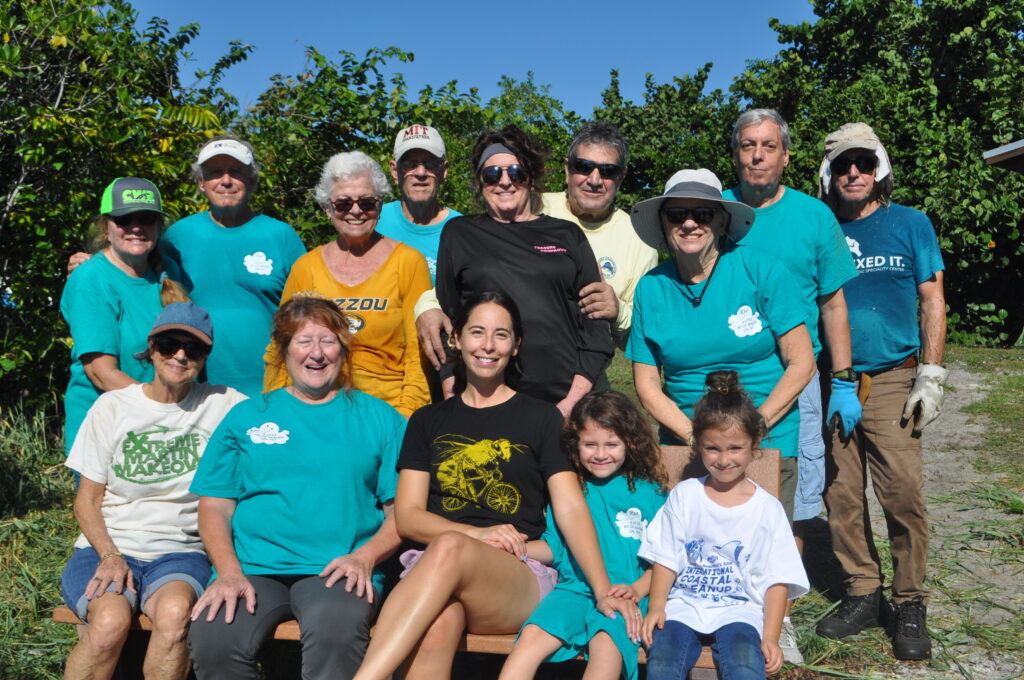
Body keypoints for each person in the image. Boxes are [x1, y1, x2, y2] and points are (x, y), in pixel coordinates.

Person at [352, 291, 636, 680]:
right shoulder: (427, 421)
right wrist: (477, 533)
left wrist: (602, 589)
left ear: (516, 345)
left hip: (517, 572)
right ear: (456, 339)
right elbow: (409, 517)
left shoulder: (542, 419)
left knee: (450, 545)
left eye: (501, 335)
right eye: (477, 332)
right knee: (438, 622)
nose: (488, 345)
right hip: (433, 571)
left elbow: (570, 507)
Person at [188, 296, 407, 679]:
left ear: (343, 348)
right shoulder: (247, 416)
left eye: (328, 341)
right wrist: (227, 572)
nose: (317, 354)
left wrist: (365, 558)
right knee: (214, 636)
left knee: (334, 629)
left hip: (338, 569)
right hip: (253, 568)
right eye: (304, 341)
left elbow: (400, 513)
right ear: (284, 349)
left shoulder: (380, 419)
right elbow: (214, 506)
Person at [723, 109, 860, 662]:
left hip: (795, 375)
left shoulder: (813, 217)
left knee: (789, 496)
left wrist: (844, 381)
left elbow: (833, 303)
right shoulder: (719, 213)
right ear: (736, 153)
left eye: (768, 146)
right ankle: (718, 599)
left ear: (786, 155)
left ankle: (779, 619)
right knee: (720, 484)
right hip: (726, 377)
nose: (757, 155)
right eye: (748, 146)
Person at [813, 123, 947, 660]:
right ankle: (862, 591)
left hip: (893, 375)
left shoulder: (910, 224)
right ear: (828, 172)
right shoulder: (819, 227)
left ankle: (909, 601)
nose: (854, 172)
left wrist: (931, 374)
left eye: (864, 163)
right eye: (844, 164)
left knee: (902, 494)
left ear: (880, 168)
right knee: (841, 496)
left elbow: (932, 299)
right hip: (833, 380)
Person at [60, 302, 246, 680]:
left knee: (176, 616)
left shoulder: (225, 404)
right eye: (168, 344)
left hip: (182, 549)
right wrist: (110, 555)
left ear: (205, 357)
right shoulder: (112, 407)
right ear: (151, 346)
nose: (179, 355)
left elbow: (281, 420)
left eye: (193, 349)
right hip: (108, 545)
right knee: (109, 622)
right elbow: (87, 500)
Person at [627, 168, 815, 488]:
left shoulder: (762, 270)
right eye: (676, 214)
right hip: (685, 444)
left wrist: (752, 431)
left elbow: (802, 363)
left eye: (702, 213)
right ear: (663, 222)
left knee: (766, 536)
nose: (688, 223)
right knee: (690, 538)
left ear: (722, 221)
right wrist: (698, 440)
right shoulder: (651, 288)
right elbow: (646, 385)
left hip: (764, 441)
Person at [433, 125, 614, 416]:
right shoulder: (459, 233)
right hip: (485, 403)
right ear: (480, 182)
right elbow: (448, 320)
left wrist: (570, 404)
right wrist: (453, 395)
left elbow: (596, 327)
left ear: (531, 177)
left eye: (516, 172)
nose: (504, 182)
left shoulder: (567, 235)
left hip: (562, 404)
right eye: (492, 174)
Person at [640, 371, 809, 679]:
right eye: (712, 448)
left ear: (753, 444)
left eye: (735, 448)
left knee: (745, 664)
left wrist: (770, 637)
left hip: (740, 611)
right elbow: (666, 556)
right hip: (683, 607)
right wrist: (656, 607)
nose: (723, 459)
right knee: (662, 662)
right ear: (698, 445)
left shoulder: (767, 508)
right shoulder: (685, 495)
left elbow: (777, 578)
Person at [500, 390, 668, 680]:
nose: (601, 454)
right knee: (531, 636)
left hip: (627, 594)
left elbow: (667, 560)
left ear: (630, 442)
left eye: (612, 444)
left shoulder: (651, 496)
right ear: (574, 444)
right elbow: (554, 547)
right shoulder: (571, 492)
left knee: (606, 645)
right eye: (590, 444)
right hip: (575, 590)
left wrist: (638, 589)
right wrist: (515, 548)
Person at [264, 151, 432, 417]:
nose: (355, 211)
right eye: (343, 204)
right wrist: (275, 412)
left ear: (380, 205)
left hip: (386, 412)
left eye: (366, 202)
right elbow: (280, 349)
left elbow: (418, 352)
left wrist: (407, 417)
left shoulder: (408, 262)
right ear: (328, 209)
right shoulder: (306, 267)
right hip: (314, 412)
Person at [161, 135, 307, 396]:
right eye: (215, 173)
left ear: (252, 181)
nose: (225, 180)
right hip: (195, 391)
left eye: (235, 172)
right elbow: (136, 271)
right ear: (201, 183)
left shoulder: (281, 236)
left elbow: (308, 311)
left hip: (272, 388)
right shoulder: (177, 237)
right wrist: (92, 260)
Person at [60, 177, 187, 455]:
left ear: (158, 226)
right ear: (106, 227)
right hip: (107, 435)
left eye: (146, 218)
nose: (136, 227)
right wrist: (171, 409)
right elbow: (102, 373)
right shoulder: (91, 279)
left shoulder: (168, 273)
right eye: (124, 219)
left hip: (162, 429)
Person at [541, 122, 658, 351]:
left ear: (621, 178)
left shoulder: (639, 239)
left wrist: (617, 311)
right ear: (567, 169)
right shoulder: (533, 208)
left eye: (607, 171)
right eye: (584, 166)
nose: (594, 180)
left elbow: (640, 343)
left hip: (587, 377)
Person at [376, 124, 462, 282]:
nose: (421, 173)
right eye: (410, 164)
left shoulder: (462, 231)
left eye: (431, 164)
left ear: (443, 171)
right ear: (395, 171)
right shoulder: (374, 221)